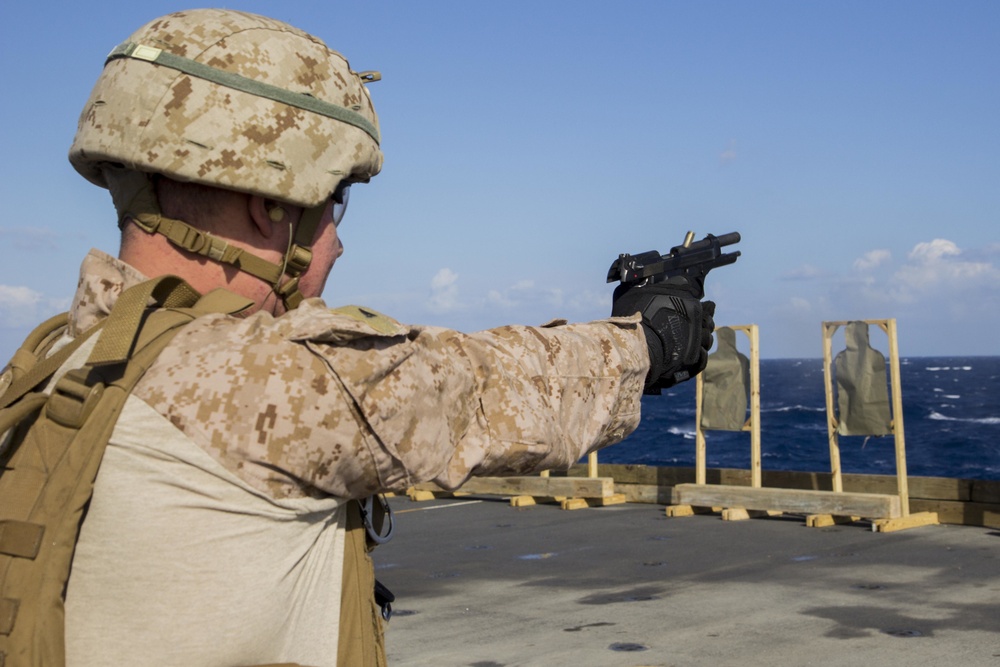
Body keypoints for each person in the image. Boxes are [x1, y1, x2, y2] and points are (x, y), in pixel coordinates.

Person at [1, 8, 714, 667]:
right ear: (269, 204)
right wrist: (650, 337)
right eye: (333, 204)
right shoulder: (268, 382)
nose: (337, 243)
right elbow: (489, 386)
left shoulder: (48, 363)